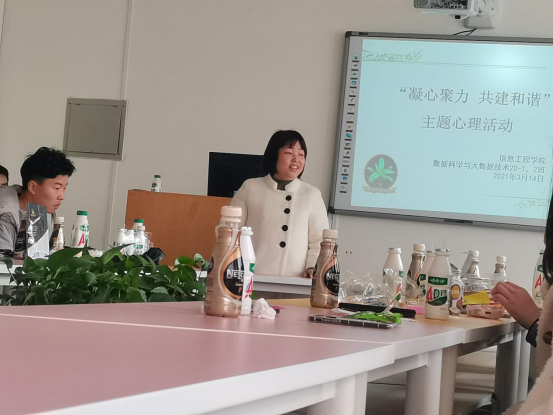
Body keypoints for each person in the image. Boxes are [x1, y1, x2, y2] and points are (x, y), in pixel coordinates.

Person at [231, 130, 329, 278]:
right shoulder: (250, 187)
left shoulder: (312, 194)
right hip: (251, 276)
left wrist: (312, 266)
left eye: (301, 154)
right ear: (273, 156)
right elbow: (231, 231)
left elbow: (320, 240)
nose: (296, 159)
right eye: (289, 153)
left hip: (296, 280)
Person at [0, 147, 76, 252]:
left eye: (64, 188)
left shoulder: (45, 210)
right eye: (57, 188)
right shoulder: (5, 216)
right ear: (32, 187)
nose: (61, 196)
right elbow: (4, 261)